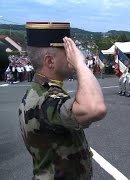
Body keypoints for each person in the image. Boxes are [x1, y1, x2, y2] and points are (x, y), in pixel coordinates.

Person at [19, 22, 107, 179]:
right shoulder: (45, 99)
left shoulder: (41, 90)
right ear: (50, 61)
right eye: (67, 51)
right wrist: (80, 64)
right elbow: (94, 108)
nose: (72, 55)